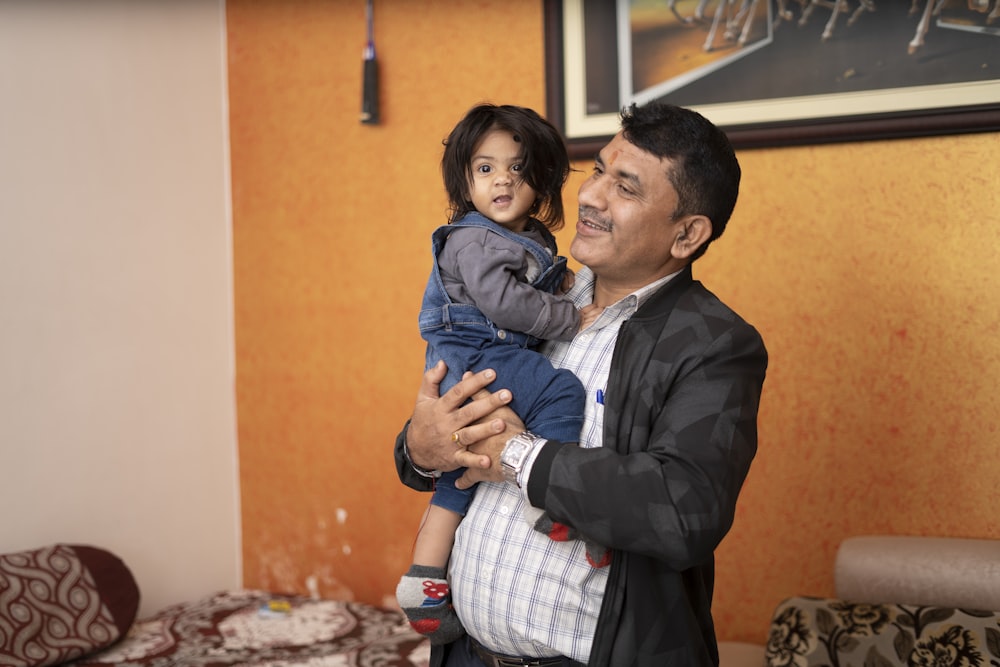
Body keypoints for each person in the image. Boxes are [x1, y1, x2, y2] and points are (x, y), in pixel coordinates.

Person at [394, 101, 768, 667]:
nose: (590, 196)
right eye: (597, 170)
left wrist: (514, 455)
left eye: (626, 187)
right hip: (465, 656)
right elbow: (435, 430)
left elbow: (682, 510)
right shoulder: (536, 297)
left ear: (687, 234)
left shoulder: (712, 342)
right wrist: (421, 450)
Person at [395, 103, 605, 646]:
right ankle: (551, 501)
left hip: (476, 354)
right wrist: (568, 314)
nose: (503, 180)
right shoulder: (477, 239)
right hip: (480, 349)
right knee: (560, 390)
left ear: (545, 180)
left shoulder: (521, 238)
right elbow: (504, 302)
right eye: (485, 169)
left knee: (459, 473)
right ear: (463, 181)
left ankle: (422, 580)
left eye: (518, 167)